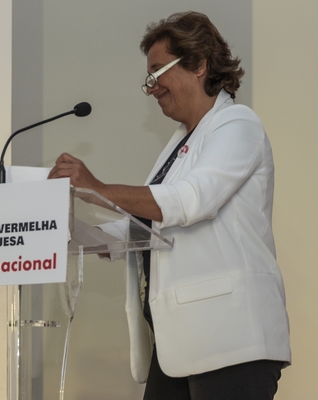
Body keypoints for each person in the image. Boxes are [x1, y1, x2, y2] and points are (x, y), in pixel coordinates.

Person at [48, 11, 291, 400]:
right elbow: (146, 228)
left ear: (198, 64)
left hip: (230, 340)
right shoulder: (180, 142)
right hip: (180, 345)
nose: (151, 88)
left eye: (158, 72)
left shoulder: (238, 124)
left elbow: (191, 200)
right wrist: (64, 227)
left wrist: (97, 188)